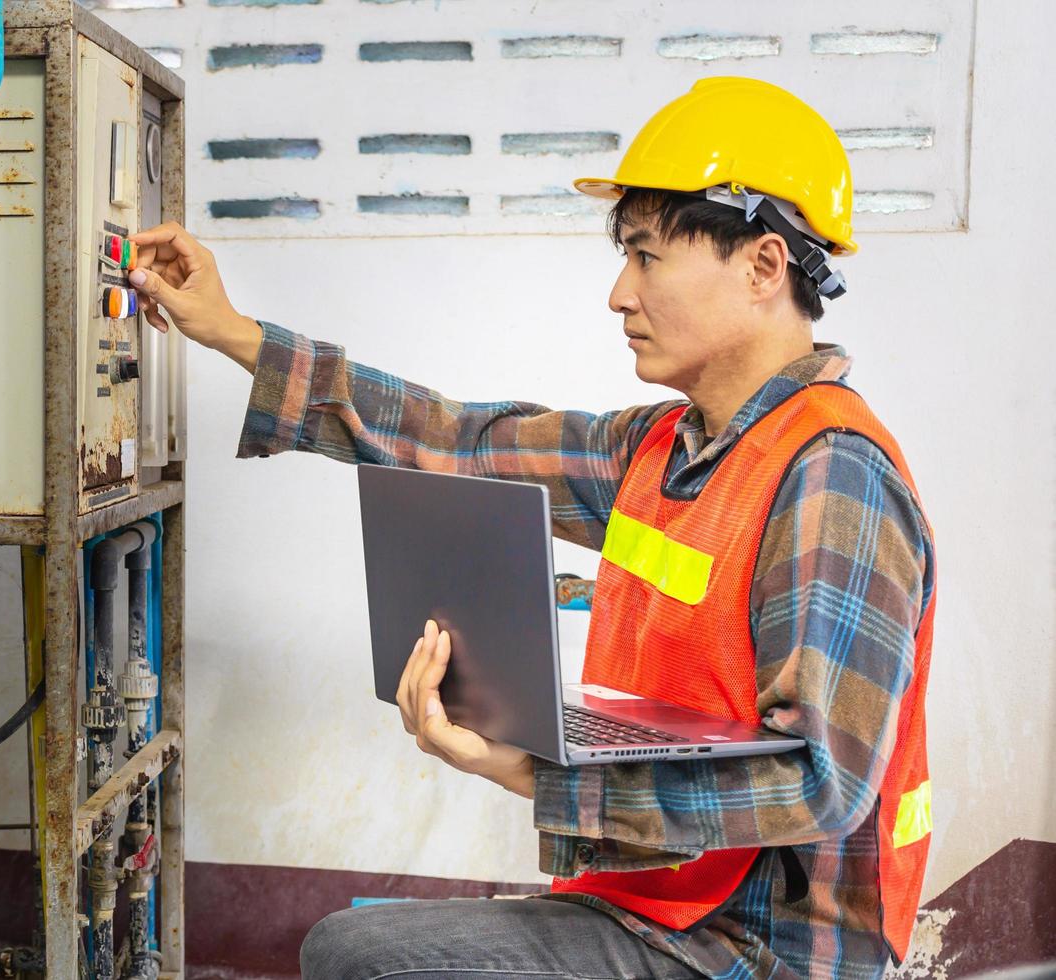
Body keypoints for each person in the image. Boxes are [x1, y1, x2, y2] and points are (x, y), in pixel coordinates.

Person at [127, 77, 936, 980]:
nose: (618, 295)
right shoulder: (661, 450)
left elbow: (818, 784)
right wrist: (235, 334)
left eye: (645, 256)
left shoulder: (832, 474)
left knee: (361, 958)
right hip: (654, 906)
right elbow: (454, 439)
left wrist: (527, 772)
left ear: (761, 266)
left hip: (754, 950)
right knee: (349, 947)